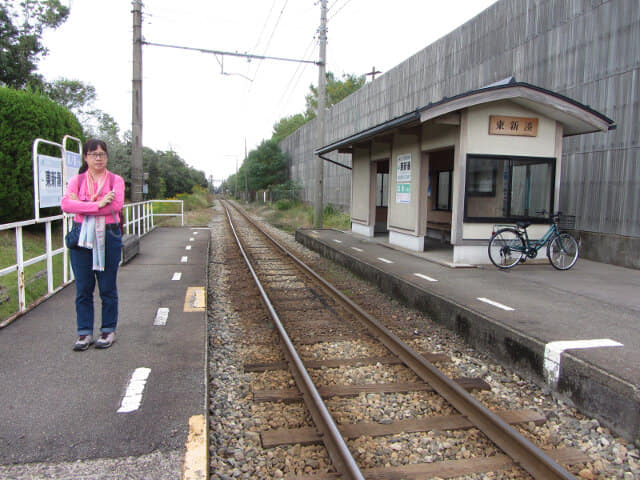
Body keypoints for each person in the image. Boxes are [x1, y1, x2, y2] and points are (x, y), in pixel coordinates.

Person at [61, 139, 125, 351]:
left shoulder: (116, 180)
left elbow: (115, 206)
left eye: (102, 154)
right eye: (93, 154)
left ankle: (108, 330)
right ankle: (84, 332)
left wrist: (82, 206)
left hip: (108, 236)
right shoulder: (77, 181)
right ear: (86, 157)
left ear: (107, 157)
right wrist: (97, 203)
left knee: (107, 288)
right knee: (83, 288)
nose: (98, 158)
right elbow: (66, 205)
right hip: (81, 238)